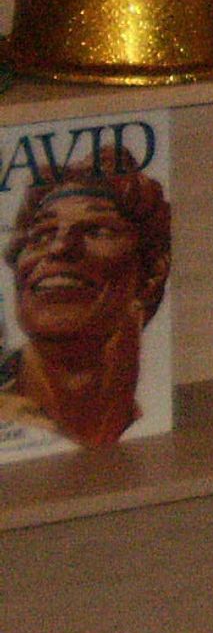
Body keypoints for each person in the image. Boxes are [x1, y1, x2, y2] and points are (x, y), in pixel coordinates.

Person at [0, 146, 172, 449]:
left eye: (97, 230)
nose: (59, 247)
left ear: (152, 274)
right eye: (41, 234)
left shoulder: (148, 419)